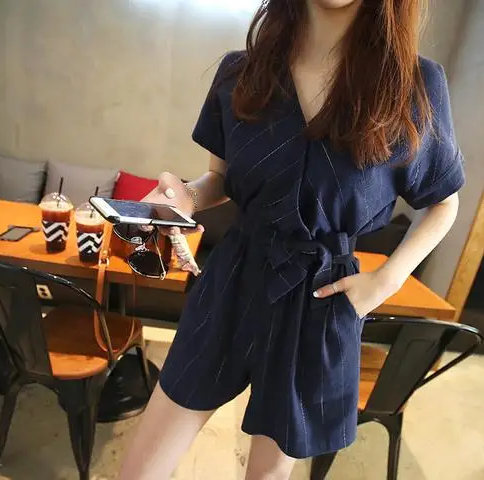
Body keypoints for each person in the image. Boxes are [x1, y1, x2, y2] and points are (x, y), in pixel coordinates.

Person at [120, 0, 464, 478]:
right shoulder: (242, 73)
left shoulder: (414, 85)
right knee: (141, 468)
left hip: (320, 297)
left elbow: (444, 203)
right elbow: (219, 179)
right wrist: (187, 197)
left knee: (269, 472)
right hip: (235, 276)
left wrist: (386, 281)